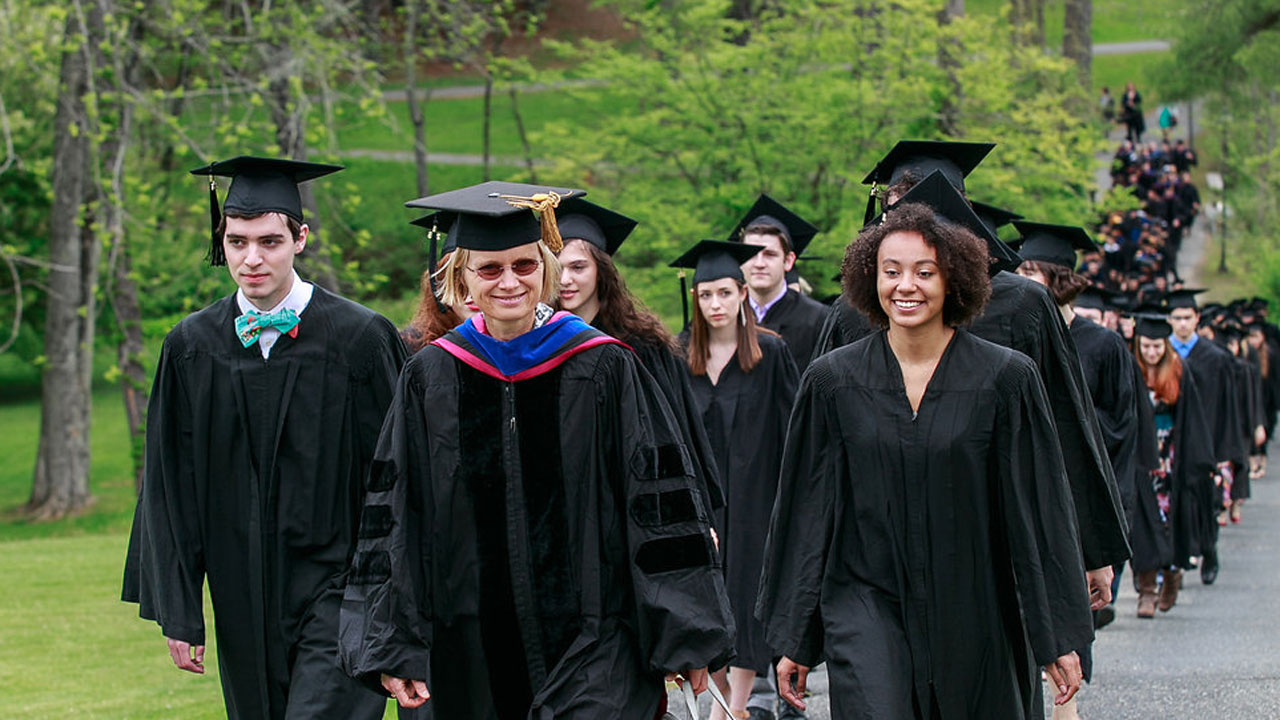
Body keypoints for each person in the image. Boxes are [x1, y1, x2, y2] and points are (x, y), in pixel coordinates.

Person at [339, 182, 734, 719]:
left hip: (595, 644)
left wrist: (686, 631)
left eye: (525, 266)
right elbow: (396, 516)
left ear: (544, 272)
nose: (509, 282)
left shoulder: (603, 367)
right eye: (490, 269)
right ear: (461, 279)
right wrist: (393, 644)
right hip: (469, 645)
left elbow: (657, 503)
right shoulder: (430, 377)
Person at [758, 188, 1092, 719]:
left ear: (953, 279)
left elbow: (1039, 511)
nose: (905, 286)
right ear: (871, 278)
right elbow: (806, 510)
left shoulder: (1005, 378)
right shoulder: (833, 382)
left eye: (924, 272)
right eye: (891, 271)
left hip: (977, 604)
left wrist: (1056, 634)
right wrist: (795, 633)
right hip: (866, 601)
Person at [121, 156, 409, 719]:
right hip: (240, 595)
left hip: (342, 592)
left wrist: (393, 599)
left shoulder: (360, 339)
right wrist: (180, 609)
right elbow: (168, 484)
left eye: (270, 241)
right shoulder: (191, 347)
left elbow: (397, 476)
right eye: (237, 241)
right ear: (221, 241)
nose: (252, 258)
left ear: (301, 238)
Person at [819, 145, 1131, 608]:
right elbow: (822, 447)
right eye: (896, 216)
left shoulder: (1024, 306)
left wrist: (1092, 547)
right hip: (880, 544)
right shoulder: (855, 311)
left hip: (998, 534)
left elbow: (1064, 425)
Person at [672, 239, 799, 720]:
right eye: (705, 295)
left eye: (724, 293)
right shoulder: (680, 355)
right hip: (702, 507)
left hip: (756, 505)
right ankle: (721, 701)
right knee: (710, 601)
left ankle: (736, 709)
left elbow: (792, 433)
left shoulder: (771, 353)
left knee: (747, 602)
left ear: (743, 293)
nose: (715, 305)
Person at [554, 196, 725, 514]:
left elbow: (676, 436)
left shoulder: (643, 347)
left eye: (578, 267)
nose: (565, 280)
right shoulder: (539, 344)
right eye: (556, 267)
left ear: (601, 270)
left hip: (631, 508)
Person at [1132, 315, 1214, 617]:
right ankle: (1147, 589)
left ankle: (1171, 577)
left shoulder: (1179, 370)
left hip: (1170, 457)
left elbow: (1193, 418)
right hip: (1141, 455)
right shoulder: (1131, 369)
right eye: (1146, 346)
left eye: (1156, 346)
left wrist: (1197, 461)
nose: (1151, 352)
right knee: (1141, 523)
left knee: (1168, 521)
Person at [1167, 288, 1243, 584]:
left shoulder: (1216, 358)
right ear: (1169, 319)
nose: (1183, 323)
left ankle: (1209, 550)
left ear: (1197, 319)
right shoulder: (1162, 355)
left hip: (1208, 443)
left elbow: (1228, 408)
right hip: (1173, 443)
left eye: (1187, 317)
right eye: (1177, 318)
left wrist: (1227, 452)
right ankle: (1175, 562)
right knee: (1174, 503)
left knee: (1207, 502)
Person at [728, 194, 828, 373]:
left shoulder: (818, 320)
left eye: (770, 254)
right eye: (751, 253)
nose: (759, 263)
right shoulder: (726, 316)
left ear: (788, 261)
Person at [400, 213, 476, 353]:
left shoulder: (528, 351)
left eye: (490, 272)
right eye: (458, 279)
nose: (472, 293)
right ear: (439, 283)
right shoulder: (408, 349)